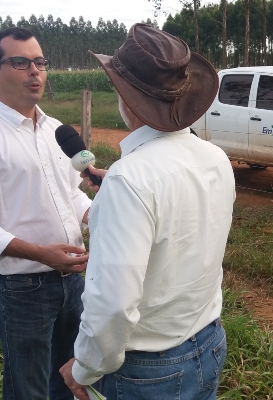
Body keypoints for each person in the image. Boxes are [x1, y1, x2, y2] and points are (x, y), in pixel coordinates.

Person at [58, 24, 235, 400]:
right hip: (209, 340)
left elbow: (113, 306)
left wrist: (84, 366)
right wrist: (121, 191)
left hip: (148, 369)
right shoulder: (216, 158)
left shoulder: (130, 181)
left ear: (126, 98)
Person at [0, 27, 92, 400]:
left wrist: (101, 212)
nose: (35, 72)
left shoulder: (56, 131)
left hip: (73, 281)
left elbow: (70, 195)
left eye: (40, 62)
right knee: (28, 386)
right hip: (23, 289)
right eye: (21, 62)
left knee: (71, 380)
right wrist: (40, 253)